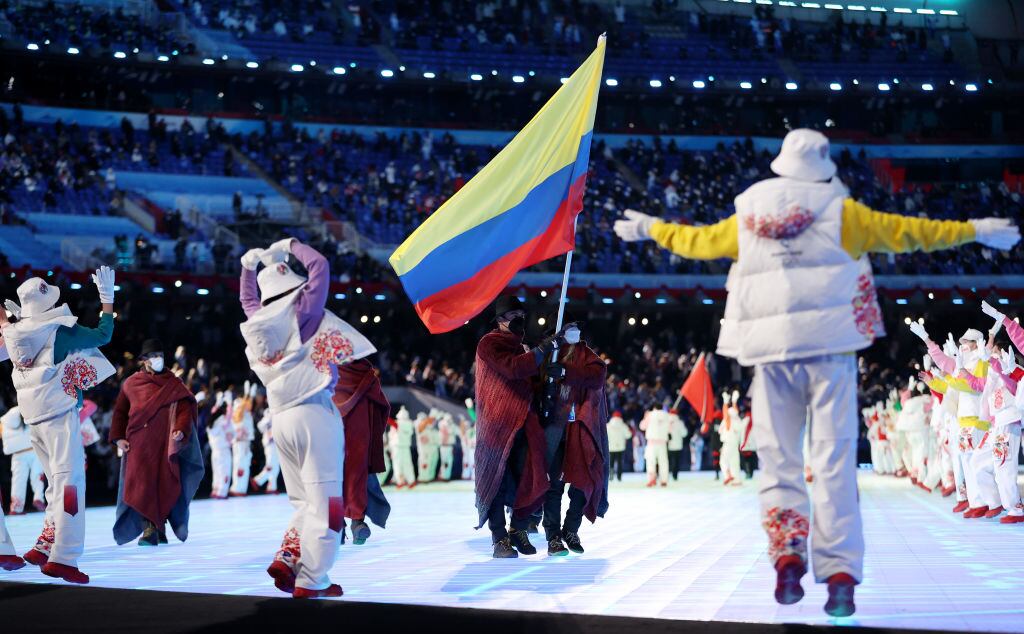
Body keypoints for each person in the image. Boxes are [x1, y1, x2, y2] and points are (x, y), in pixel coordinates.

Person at [613, 128, 1020, 616]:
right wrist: (974, 228)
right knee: (832, 461)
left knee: (780, 459)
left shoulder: (749, 211)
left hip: (771, 353)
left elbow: (697, 241)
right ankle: (841, 575)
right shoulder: (841, 211)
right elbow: (912, 231)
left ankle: (787, 555)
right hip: (830, 350)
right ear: (823, 166)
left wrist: (650, 228)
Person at [239, 238, 374, 599]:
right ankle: (314, 578)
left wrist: (248, 269)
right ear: (294, 290)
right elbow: (320, 267)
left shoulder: (256, 323)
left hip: (281, 419)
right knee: (329, 502)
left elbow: (247, 300)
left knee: (302, 502)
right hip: (314, 413)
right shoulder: (303, 313)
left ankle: (290, 557)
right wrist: (291, 244)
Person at [1, 267, 117, 584]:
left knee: (55, 483)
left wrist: (14, 322)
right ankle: (64, 557)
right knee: (70, 486)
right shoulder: (59, 330)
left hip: (34, 422)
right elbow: (103, 335)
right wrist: (107, 299)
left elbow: (6, 339)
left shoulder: (13, 335)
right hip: (60, 417)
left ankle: (44, 544)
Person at [474, 295, 561, 559]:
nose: (519, 321)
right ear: (499, 321)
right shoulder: (488, 344)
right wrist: (543, 350)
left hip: (524, 420)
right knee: (497, 481)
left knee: (530, 473)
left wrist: (549, 375)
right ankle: (499, 538)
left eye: (522, 316)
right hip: (497, 424)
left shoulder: (523, 348)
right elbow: (512, 370)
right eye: (513, 317)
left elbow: (530, 382)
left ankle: (518, 528)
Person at [109, 339, 203, 547]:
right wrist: (118, 437)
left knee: (164, 484)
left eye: (160, 355)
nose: (158, 359)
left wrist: (181, 429)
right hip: (138, 446)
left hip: (165, 444)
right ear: (144, 361)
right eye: (153, 356)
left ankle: (158, 528)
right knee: (141, 486)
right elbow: (120, 412)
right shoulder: (131, 384)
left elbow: (185, 407)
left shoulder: (173, 383)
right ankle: (148, 528)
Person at [911, 325, 1001, 518]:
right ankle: (976, 502)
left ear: (976, 344)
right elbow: (944, 365)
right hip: (963, 419)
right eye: (962, 343)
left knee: (975, 463)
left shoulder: (982, 361)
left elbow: (976, 387)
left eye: (966, 343)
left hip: (977, 419)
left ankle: (985, 501)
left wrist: (954, 376)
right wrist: (927, 340)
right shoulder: (964, 362)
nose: (963, 346)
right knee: (967, 462)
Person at [539, 322, 610, 556]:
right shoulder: (547, 353)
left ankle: (571, 529)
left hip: (579, 428)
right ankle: (553, 536)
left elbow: (597, 376)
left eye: (575, 326)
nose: (573, 330)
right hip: (553, 430)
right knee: (553, 485)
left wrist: (566, 372)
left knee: (582, 480)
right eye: (567, 327)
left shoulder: (586, 355)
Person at [332, 355, 391, 545]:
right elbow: (383, 405)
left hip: (331, 429)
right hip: (359, 435)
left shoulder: (326, 372)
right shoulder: (366, 373)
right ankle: (358, 523)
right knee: (357, 477)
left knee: (331, 477)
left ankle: (335, 526)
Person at [1, 406, 46, 514]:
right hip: (33, 450)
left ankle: (16, 508)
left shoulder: (4, 421)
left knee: (18, 481)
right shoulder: (29, 409)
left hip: (17, 454)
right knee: (38, 476)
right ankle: (38, 498)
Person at [229, 383, 256, 496]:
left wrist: (250, 395)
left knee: (244, 464)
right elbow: (245, 407)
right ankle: (237, 488)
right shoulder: (238, 405)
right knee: (240, 464)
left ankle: (240, 489)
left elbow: (248, 406)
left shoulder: (245, 410)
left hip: (244, 442)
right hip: (240, 442)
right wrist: (248, 395)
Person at [206, 392, 233, 499]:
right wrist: (229, 402)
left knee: (217, 471)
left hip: (215, 452)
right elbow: (229, 417)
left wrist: (218, 402)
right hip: (223, 450)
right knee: (224, 471)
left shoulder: (210, 424)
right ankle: (222, 492)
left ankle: (216, 490)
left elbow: (213, 412)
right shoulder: (221, 421)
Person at [251, 410, 280, 493]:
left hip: (276, 442)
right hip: (270, 443)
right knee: (271, 465)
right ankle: (257, 480)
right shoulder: (269, 413)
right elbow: (260, 426)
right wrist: (269, 420)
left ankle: (272, 487)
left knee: (276, 466)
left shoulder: (278, 412)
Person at [640, 407, 670, 487]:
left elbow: (642, 426)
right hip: (662, 443)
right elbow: (670, 429)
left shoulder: (650, 415)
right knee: (663, 463)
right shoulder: (667, 415)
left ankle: (651, 479)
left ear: (654, 408)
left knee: (651, 462)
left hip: (652, 442)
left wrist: (645, 417)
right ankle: (664, 480)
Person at [719, 391, 743, 486]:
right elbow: (735, 411)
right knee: (734, 462)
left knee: (723, 461)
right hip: (735, 444)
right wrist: (734, 401)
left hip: (728, 443)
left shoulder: (729, 421)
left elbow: (726, 414)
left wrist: (725, 402)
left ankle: (728, 475)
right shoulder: (738, 421)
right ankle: (736, 480)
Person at [391, 406, 417, 487]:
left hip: (398, 447)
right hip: (404, 447)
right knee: (407, 464)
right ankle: (410, 481)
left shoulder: (400, 423)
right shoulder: (409, 423)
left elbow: (393, 424)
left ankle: (401, 481)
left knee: (398, 465)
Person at [606, 411, 631, 481]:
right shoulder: (623, 425)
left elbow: (605, 436)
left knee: (611, 462)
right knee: (620, 462)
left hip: (611, 447)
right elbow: (628, 435)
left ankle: (611, 476)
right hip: (620, 447)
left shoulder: (608, 425)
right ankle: (619, 477)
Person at [667, 409, 687, 480]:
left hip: (667, 445)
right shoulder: (679, 422)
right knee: (676, 461)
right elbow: (684, 433)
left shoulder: (666, 422)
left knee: (667, 461)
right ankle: (674, 476)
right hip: (677, 445)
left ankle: (665, 475)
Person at [438, 413, 457, 481]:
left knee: (448, 462)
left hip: (448, 446)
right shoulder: (443, 424)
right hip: (445, 446)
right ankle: (444, 476)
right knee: (446, 462)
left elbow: (448, 433)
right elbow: (444, 433)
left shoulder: (451, 426)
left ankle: (445, 476)